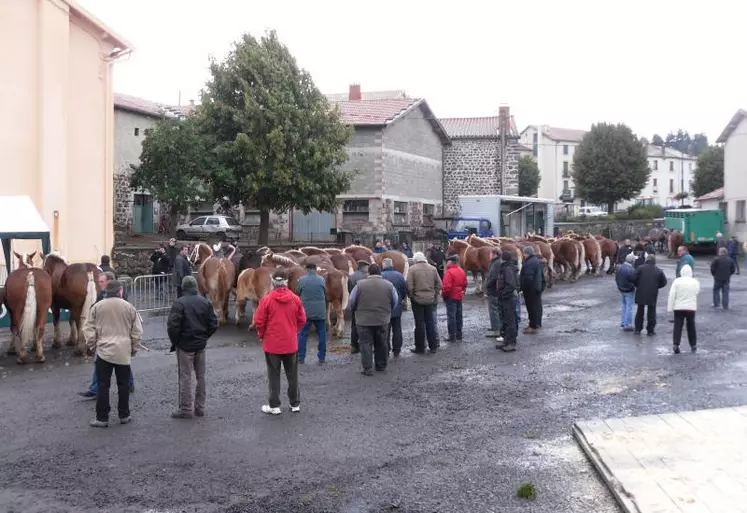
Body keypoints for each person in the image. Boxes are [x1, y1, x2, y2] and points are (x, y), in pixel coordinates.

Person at [82, 280, 143, 427]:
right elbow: (137, 331)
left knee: (103, 385)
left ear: (106, 292)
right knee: (123, 385)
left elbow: (88, 328)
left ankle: (102, 418)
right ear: (120, 291)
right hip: (123, 351)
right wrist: (134, 348)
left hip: (103, 351)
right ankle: (124, 414)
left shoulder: (97, 307)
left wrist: (92, 345)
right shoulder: (129, 307)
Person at [253, 269, 306, 415]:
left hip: (272, 344)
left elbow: (259, 321)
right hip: (290, 343)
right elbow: (302, 319)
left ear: (273, 282)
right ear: (286, 282)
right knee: (292, 374)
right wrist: (293, 330)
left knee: (273, 375)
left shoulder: (267, 299)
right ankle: (295, 403)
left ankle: (274, 405)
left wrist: (262, 334)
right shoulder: (295, 299)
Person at [167, 275, 218, 419]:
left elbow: (173, 326)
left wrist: (177, 341)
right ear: (195, 287)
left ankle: (185, 408)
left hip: (185, 345)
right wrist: (204, 337)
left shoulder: (179, 303)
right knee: (201, 376)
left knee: (185, 376)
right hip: (200, 344)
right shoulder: (204, 302)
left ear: (184, 287)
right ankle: (200, 407)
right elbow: (213, 324)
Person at [78, 271, 134, 399]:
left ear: (109, 281)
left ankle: (97, 389)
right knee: (117, 361)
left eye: (102, 282)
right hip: (106, 334)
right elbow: (95, 307)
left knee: (113, 362)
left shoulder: (120, 294)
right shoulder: (102, 294)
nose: (100, 284)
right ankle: (98, 388)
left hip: (114, 334)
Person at [349, 264, 398, 375]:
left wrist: (356, 310)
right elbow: (395, 301)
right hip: (382, 319)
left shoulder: (359, 285)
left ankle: (368, 368)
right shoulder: (389, 285)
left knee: (365, 344)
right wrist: (387, 311)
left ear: (369, 273)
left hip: (363, 320)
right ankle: (381, 366)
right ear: (380, 272)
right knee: (382, 343)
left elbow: (351, 301)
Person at [406, 252, 442, 354]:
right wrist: (435, 295)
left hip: (417, 300)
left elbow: (409, 285)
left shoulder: (412, 269)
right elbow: (439, 284)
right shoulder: (433, 269)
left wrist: (411, 296)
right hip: (430, 299)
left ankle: (420, 347)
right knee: (430, 322)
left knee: (419, 324)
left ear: (415, 260)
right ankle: (433, 346)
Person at [296, 262, 327, 364]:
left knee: (302, 334)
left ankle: (301, 357)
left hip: (306, 312)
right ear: (315, 269)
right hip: (320, 311)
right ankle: (322, 357)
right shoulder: (322, 279)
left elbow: (297, 292)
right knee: (322, 333)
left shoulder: (302, 280)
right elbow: (324, 291)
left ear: (307, 269)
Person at [631, 255, 667, 336]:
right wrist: (656, 286)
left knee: (640, 311)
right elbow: (664, 282)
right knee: (652, 312)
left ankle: (638, 329)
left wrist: (638, 285)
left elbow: (632, 278)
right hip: (652, 293)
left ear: (646, 260)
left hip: (641, 292)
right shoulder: (658, 270)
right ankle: (650, 331)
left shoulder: (640, 268)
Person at [667, 264, 700, 354]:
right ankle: (693, 344)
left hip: (678, 307)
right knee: (691, 326)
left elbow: (672, 295)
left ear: (681, 272)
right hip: (691, 307)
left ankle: (676, 344)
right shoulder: (695, 282)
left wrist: (670, 307)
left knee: (678, 326)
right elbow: (697, 292)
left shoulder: (677, 281)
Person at [381, 258, 407, 356]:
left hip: (384, 308)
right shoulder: (399, 275)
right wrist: (400, 300)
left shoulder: (380, 276)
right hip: (397, 307)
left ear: (384, 265)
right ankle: (397, 349)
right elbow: (404, 290)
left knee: (385, 330)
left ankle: (386, 348)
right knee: (397, 329)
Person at [495, 250, 519, 352]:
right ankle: (506, 340)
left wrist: (504, 293)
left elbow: (511, 285)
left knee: (510, 321)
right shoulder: (505, 268)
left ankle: (511, 343)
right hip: (505, 298)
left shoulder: (507, 269)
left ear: (503, 259)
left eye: (500, 258)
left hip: (508, 299)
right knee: (505, 320)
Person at [441, 255, 467, 343]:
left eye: (447, 261)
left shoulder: (449, 272)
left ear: (450, 262)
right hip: (459, 295)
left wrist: (444, 295)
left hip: (451, 296)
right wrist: (461, 290)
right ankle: (459, 334)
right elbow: (464, 283)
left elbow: (446, 287)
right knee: (459, 315)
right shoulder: (461, 270)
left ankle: (452, 336)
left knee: (451, 316)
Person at [519, 246, 544, 334]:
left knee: (532, 308)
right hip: (537, 287)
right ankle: (536, 323)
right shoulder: (536, 260)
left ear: (527, 253)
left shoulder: (530, 263)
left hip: (531, 289)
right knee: (536, 306)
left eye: (524, 253)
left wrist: (522, 288)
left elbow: (528, 278)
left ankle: (533, 326)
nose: (523, 255)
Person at [348, 260, 370, 355]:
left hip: (355, 304)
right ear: (364, 267)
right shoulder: (366, 277)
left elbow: (349, 291)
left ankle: (354, 345)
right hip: (365, 305)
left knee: (354, 325)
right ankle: (364, 344)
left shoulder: (352, 277)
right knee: (365, 326)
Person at [484, 247, 503, 340]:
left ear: (495, 254)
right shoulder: (495, 262)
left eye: (490, 253)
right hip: (494, 289)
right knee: (494, 309)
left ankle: (496, 329)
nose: (489, 255)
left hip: (494, 290)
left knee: (493, 310)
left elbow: (493, 277)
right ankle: (495, 326)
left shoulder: (496, 263)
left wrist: (487, 285)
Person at [616, 253, 637, 331]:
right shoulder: (631, 270)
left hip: (622, 290)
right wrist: (633, 287)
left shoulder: (620, 267)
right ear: (632, 261)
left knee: (624, 306)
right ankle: (627, 324)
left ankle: (623, 322)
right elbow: (634, 281)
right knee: (629, 307)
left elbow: (616, 278)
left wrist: (619, 287)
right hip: (629, 291)